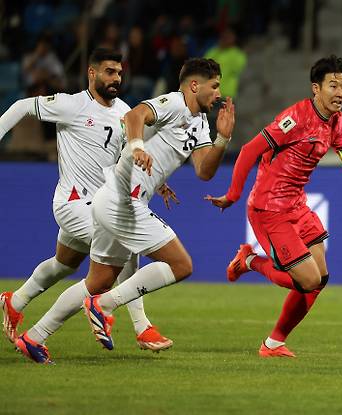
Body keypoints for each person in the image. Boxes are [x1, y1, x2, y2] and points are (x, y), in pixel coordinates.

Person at [14, 57, 234, 364]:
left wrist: (223, 138)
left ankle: (34, 337)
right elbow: (135, 115)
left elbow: (204, 171)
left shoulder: (198, 123)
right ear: (194, 85)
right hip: (123, 202)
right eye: (215, 86)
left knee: (98, 280)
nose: (218, 93)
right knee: (182, 265)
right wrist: (137, 148)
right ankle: (105, 306)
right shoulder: (172, 103)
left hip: (113, 201)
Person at [205, 55, 342, 358]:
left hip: (297, 205)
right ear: (316, 88)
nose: (340, 92)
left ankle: (273, 343)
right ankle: (249, 261)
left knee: (320, 278)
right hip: (269, 209)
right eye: (333, 85)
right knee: (307, 280)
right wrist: (232, 194)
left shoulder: (337, 122)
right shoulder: (295, 118)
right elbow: (249, 150)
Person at [0, 48, 175, 358]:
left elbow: (127, 155)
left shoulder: (124, 112)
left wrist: (157, 182)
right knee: (126, 243)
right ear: (92, 73)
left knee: (62, 265)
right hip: (73, 203)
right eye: (109, 72)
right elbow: (22, 106)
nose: (116, 78)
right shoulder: (72, 104)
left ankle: (14, 303)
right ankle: (140, 326)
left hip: (99, 205)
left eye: (119, 73)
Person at [203, 27, 247, 100]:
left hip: (227, 95)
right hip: (210, 94)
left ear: (234, 38)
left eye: (229, 36)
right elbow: (203, 64)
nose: (226, 39)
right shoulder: (214, 51)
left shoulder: (238, 54)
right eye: (224, 36)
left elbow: (239, 69)